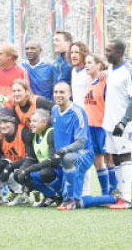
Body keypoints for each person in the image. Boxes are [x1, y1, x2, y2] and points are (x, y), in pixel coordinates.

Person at [103, 40, 132, 209]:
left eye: (109, 51)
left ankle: (127, 199)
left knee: (125, 156)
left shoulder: (130, 72)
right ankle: (121, 196)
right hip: (110, 123)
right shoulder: (110, 70)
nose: (106, 53)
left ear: (119, 52)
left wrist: (124, 122)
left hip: (124, 124)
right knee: (115, 158)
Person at [51, 82, 94, 210]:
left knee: (68, 159)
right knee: (43, 173)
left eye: (62, 92)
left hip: (83, 153)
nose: (58, 95)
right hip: (64, 154)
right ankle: (61, 197)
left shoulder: (77, 112)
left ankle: (71, 200)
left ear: (70, 94)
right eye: (56, 92)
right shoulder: (54, 110)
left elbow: (81, 143)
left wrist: (62, 151)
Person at [0, 108, 32, 206]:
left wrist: (10, 167)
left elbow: (32, 158)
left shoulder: (24, 132)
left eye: (5, 122)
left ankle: (27, 194)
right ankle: (16, 193)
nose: (2, 126)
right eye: (0, 123)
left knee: (13, 170)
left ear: (13, 122)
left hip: (29, 165)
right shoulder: (0, 136)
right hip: (15, 166)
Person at [83, 53, 116, 197]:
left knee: (109, 159)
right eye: (86, 63)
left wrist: (108, 72)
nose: (86, 65)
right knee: (98, 161)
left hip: (102, 127)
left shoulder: (106, 80)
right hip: (91, 127)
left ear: (98, 65)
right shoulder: (90, 82)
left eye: (90, 62)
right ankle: (105, 193)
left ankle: (114, 192)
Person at [69, 42, 90, 108]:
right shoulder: (73, 71)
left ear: (83, 54)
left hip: (88, 113)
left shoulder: (89, 71)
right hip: (77, 113)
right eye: (71, 52)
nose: (73, 55)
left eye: (76, 52)